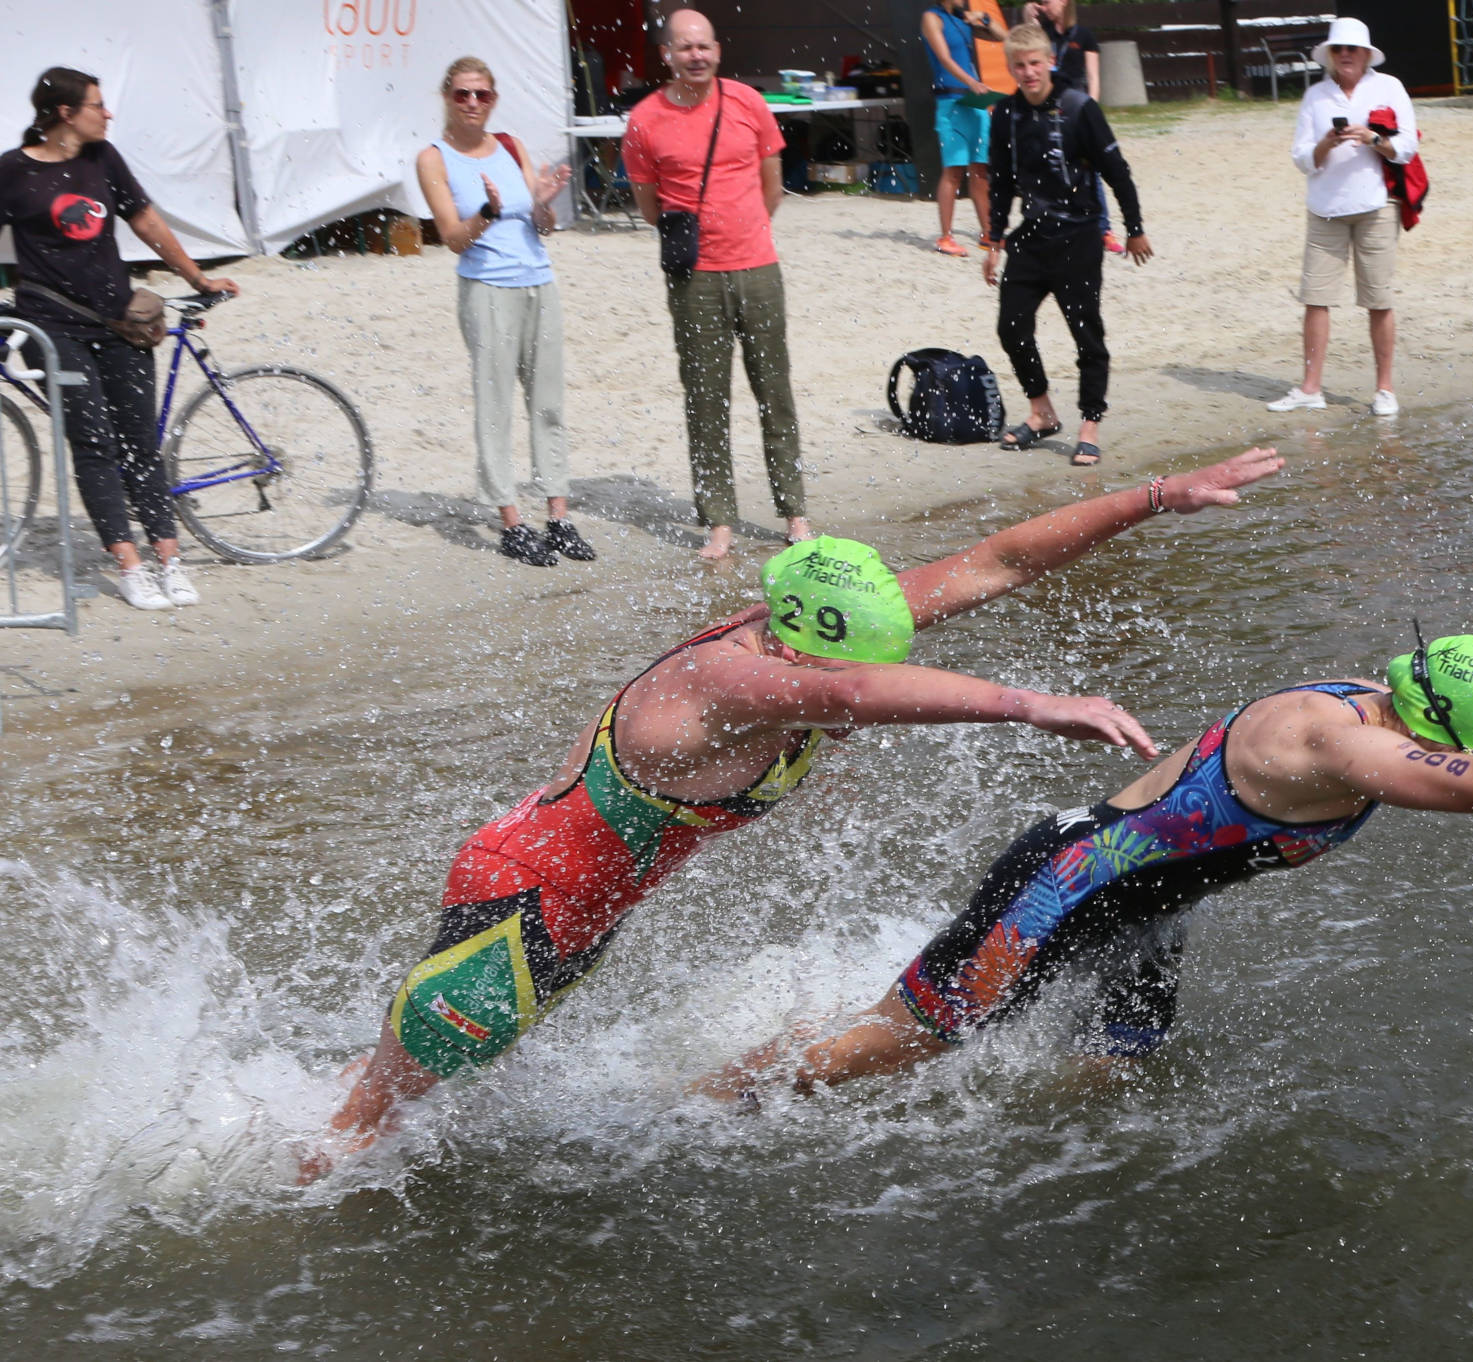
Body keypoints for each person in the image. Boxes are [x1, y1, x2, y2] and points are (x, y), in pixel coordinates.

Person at [305, 447, 1284, 1175]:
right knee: (363, 1136)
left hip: (580, 908)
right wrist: (1033, 705)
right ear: (812, 649)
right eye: (870, 657)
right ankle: (286, 1197)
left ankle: (314, 1113)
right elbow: (855, 701)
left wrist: (1157, 498)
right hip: (526, 903)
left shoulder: (809, 635)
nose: (883, 665)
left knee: (419, 1095)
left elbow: (995, 564)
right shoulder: (724, 682)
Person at [702, 634, 1473, 1099]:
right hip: (1063, 890)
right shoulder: (1327, 737)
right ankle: (710, 1103)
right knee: (904, 1041)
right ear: (1421, 724)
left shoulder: (1393, 712)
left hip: (1148, 910)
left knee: (1120, 1064)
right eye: (1455, 744)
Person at [0, 67, 236, 610]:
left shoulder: (103, 159)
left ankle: (169, 560)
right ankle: (129, 566)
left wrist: (198, 278)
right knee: (94, 441)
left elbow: (146, 220)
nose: (108, 114)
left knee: (139, 441)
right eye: (98, 105)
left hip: (118, 321)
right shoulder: (12, 171)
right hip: (52, 326)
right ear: (65, 113)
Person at [622, 8, 810, 560]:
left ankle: (794, 510)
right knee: (705, 399)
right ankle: (719, 521)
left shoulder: (748, 102)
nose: (696, 57)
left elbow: (770, 185)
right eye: (685, 48)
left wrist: (744, 233)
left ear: (718, 50)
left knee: (774, 392)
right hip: (694, 278)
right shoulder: (644, 119)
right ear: (668, 56)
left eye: (703, 47)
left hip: (758, 268)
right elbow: (650, 204)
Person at [415, 57, 591, 569]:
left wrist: (544, 204)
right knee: (495, 406)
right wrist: (487, 213)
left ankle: (558, 516)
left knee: (549, 402)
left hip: (539, 282)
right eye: (464, 94)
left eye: (483, 95)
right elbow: (450, 238)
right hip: (486, 289)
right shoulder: (434, 158)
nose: (473, 103)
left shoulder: (510, 146)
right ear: (447, 96)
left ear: (494, 99)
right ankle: (512, 521)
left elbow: (539, 224)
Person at [984, 24, 1149, 469]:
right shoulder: (1004, 116)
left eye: (1035, 63)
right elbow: (1000, 183)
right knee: (1011, 326)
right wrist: (994, 240)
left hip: (1078, 239)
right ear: (1011, 69)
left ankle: (1090, 425)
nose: (1028, 72)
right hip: (1031, 240)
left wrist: (1134, 227)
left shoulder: (1079, 108)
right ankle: (1042, 411)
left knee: (1086, 334)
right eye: (1019, 66)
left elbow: (1117, 170)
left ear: (1050, 61)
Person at [1268, 17, 1418, 420]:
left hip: (1377, 206)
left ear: (1367, 54)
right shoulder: (1316, 95)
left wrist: (1373, 139)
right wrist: (1325, 144)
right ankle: (1310, 388)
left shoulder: (1390, 87)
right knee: (1315, 299)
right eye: (1339, 49)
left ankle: (1384, 389)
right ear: (1330, 56)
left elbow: (1407, 146)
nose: (1346, 55)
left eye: (1353, 49)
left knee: (1379, 299)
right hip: (1325, 209)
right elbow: (1301, 158)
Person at [1028, 0, 1121, 256]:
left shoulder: (1083, 35)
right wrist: (1030, 21)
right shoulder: (1042, 34)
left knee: (1090, 169)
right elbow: (1024, 55)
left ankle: (1103, 229)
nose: (1044, 6)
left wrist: (1092, 111)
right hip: (1048, 111)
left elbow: (1093, 77)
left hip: (1076, 109)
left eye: (1047, 2)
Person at [920, 0, 1006, 256]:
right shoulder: (931, 18)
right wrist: (972, 81)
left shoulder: (963, 19)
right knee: (953, 172)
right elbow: (944, 58)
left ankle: (989, 231)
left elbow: (1004, 37)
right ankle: (945, 236)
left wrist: (984, 19)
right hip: (951, 101)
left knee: (980, 169)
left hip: (974, 102)